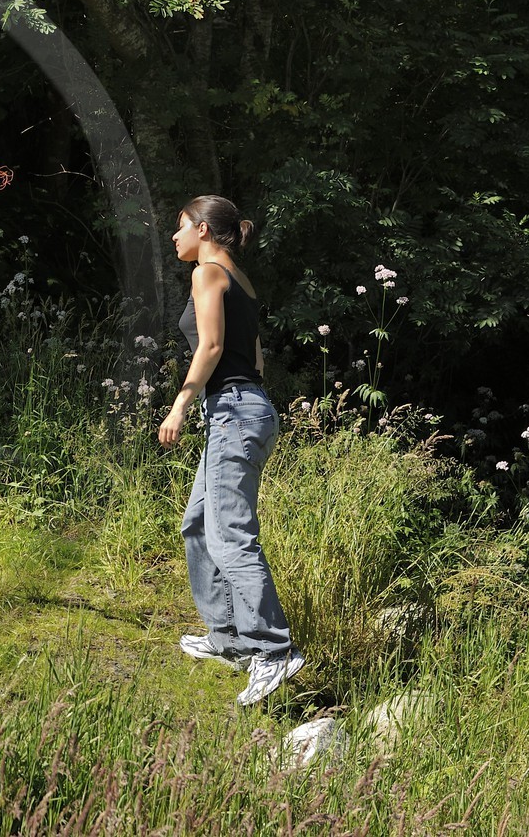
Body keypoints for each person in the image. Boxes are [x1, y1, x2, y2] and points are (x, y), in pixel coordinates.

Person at [157, 195, 303, 707]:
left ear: (202, 229)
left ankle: (272, 649)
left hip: (234, 412)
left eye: (180, 228)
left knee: (229, 535)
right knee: (198, 524)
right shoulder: (240, 278)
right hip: (249, 408)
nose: (175, 238)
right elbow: (256, 356)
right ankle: (229, 639)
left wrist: (180, 404)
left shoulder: (208, 273)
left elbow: (212, 346)